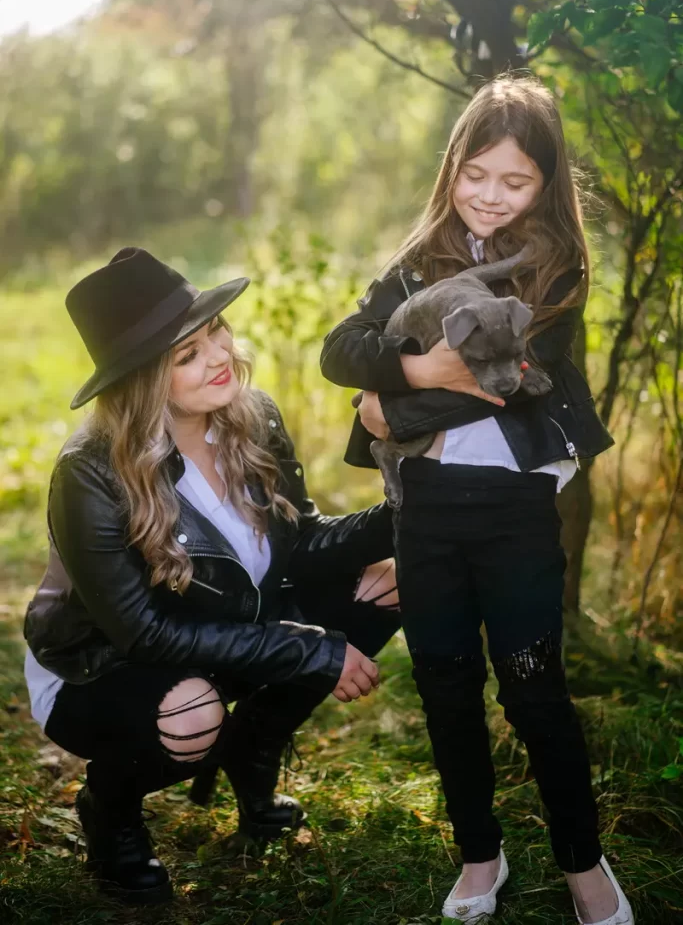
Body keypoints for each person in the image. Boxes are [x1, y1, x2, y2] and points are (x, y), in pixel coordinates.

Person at [320, 76, 633, 925]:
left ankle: (581, 860)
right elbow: (340, 351)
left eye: (515, 181)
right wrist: (413, 367)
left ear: (545, 184)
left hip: (513, 511)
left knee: (533, 690)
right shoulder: (416, 261)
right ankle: (478, 853)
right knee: (445, 685)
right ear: (451, 168)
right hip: (424, 508)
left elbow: (509, 383)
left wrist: (389, 409)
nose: (491, 196)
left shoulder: (554, 272)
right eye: (476, 174)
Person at [23, 247, 400, 906]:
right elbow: (142, 633)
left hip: (227, 625)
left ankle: (252, 747)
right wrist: (311, 649)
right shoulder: (91, 471)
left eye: (216, 331)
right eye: (188, 354)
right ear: (142, 378)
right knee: (192, 713)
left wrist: (404, 506)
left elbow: (301, 544)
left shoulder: (252, 416)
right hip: (104, 665)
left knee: (389, 580)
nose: (221, 354)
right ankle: (110, 807)